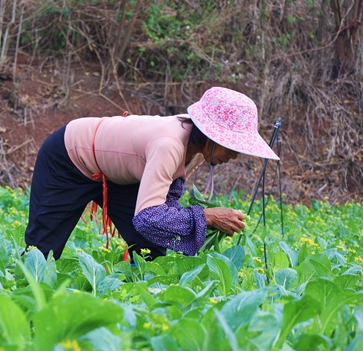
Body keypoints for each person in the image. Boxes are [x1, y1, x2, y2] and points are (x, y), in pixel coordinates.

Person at [24, 87, 279, 260]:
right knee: (42, 250)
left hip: (120, 174)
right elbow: (149, 217)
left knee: (151, 250)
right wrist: (207, 217)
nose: (234, 155)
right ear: (210, 134)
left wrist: (200, 219)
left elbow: (161, 207)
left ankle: (135, 304)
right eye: (231, 146)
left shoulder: (198, 149)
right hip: (68, 157)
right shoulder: (169, 144)